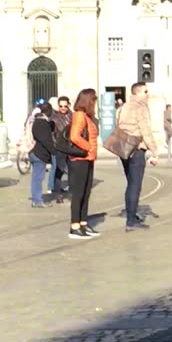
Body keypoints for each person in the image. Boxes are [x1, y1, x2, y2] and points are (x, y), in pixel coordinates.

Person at [116, 82, 159, 230]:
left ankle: (132, 215)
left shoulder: (123, 107)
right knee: (135, 185)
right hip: (136, 149)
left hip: (124, 148)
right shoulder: (140, 107)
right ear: (138, 93)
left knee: (130, 183)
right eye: (146, 91)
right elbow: (145, 130)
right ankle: (131, 220)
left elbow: (118, 124)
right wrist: (154, 151)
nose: (148, 94)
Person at [67, 89, 100, 240]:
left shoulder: (88, 116)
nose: (95, 103)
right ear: (88, 100)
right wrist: (89, 147)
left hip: (88, 159)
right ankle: (74, 226)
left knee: (86, 192)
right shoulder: (79, 115)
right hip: (80, 159)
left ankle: (83, 222)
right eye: (94, 100)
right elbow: (74, 136)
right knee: (78, 193)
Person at [29, 103, 55, 208]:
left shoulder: (36, 121)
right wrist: (54, 151)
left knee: (36, 177)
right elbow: (46, 140)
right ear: (48, 111)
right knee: (38, 178)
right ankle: (37, 200)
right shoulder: (42, 123)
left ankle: (36, 199)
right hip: (39, 154)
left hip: (34, 152)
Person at [50, 95, 73, 203]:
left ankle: (72, 193)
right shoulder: (54, 119)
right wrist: (55, 145)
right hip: (60, 148)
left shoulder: (73, 117)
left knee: (72, 171)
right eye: (61, 106)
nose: (63, 108)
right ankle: (58, 194)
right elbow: (51, 134)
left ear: (69, 105)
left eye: (65, 106)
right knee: (59, 171)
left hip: (72, 147)